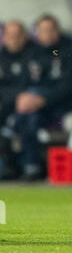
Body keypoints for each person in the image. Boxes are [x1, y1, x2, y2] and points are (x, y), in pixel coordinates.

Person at [12, 15, 72, 180]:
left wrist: (43, 100)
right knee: (23, 116)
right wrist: (21, 97)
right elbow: (22, 82)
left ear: (57, 31)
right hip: (35, 105)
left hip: (59, 106)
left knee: (29, 117)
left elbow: (68, 87)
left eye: (49, 30)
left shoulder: (67, 51)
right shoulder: (32, 53)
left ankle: (31, 166)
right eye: (42, 31)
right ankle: (24, 165)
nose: (46, 34)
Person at [0, 21, 42, 179]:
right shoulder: (2, 57)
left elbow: (31, 84)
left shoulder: (33, 55)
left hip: (27, 106)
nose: (14, 39)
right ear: (4, 37)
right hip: (7, 104)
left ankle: (30, 166)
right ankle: (5, 166)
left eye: (18, 35)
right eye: (10, 35)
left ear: (24, 37)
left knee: (29, 114)